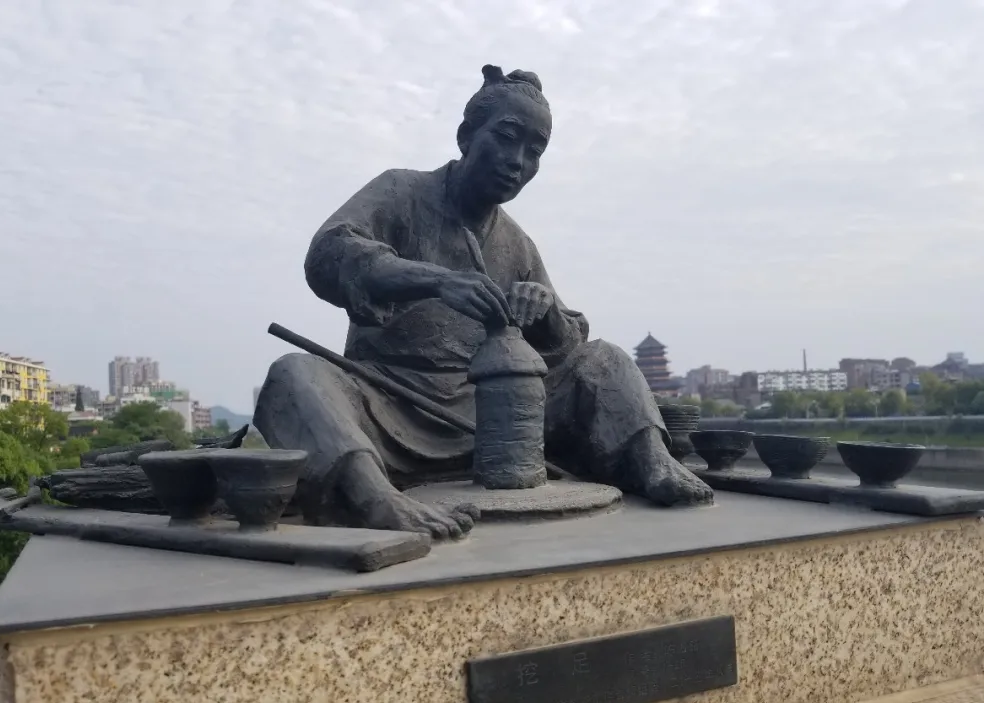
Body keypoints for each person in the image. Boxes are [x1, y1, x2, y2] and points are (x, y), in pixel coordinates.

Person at [255, 65, 713, 538]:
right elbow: (329, 252)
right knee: (295, 374)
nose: (518, 161)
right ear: (466, 136)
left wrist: (545, 313)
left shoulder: (516, 243)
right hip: (389, 406)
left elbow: (567, 348)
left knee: (605, 358)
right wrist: (436, 281)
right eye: (507, 138)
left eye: (535, 151)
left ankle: (652, 459)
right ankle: (373, 497)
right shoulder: (401, 192)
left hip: (494, 422)